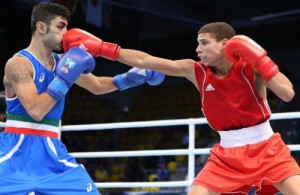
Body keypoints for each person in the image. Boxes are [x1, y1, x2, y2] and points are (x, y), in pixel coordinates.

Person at [62, 22, 300, 194]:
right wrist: (104, 48)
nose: (198, 49)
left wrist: (260, 58)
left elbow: (287, 94)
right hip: (226, 156)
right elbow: (146, 61)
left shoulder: (250, 67)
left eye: (204, 43)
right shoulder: (195, 70)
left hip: (268, 150)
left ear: (225, 44)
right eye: (198, 44)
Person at [1, 2, 164, 195]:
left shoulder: (63, 62)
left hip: (52, 150)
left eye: (67, 27)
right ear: (41, 27)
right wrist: (64, 78)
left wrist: (129, 79)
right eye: (60, 26)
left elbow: (96, 86)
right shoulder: (18, 64)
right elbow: (36, 111)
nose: (66, 34)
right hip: (16, 152)